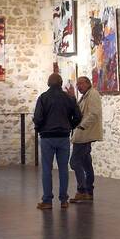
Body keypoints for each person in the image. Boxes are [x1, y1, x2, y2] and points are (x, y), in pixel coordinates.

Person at [33, 72, 82, 209]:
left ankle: (47, 200)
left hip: (47, 137)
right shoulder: (68, 98)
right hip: (63, 137)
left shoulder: (43, 98)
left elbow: (38, 118)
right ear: (61, 84)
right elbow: (78, 116)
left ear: (48, 83)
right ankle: (64, 200)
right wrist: (69, 126)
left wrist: (40, 129)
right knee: (63, 169)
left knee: (47, 169)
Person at [70, 75, 103, 202]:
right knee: (86, 163)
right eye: (77, 84)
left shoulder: (93, 94)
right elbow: (78, 112)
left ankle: (82, 190)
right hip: (84, 133)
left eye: (81, 84)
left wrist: (82, 126)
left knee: (74, 162)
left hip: (85, 134)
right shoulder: (85, 96)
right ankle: (89, 191)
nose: (79, 86)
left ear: (88, 83)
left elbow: (94, 113)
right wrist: (73, 98)